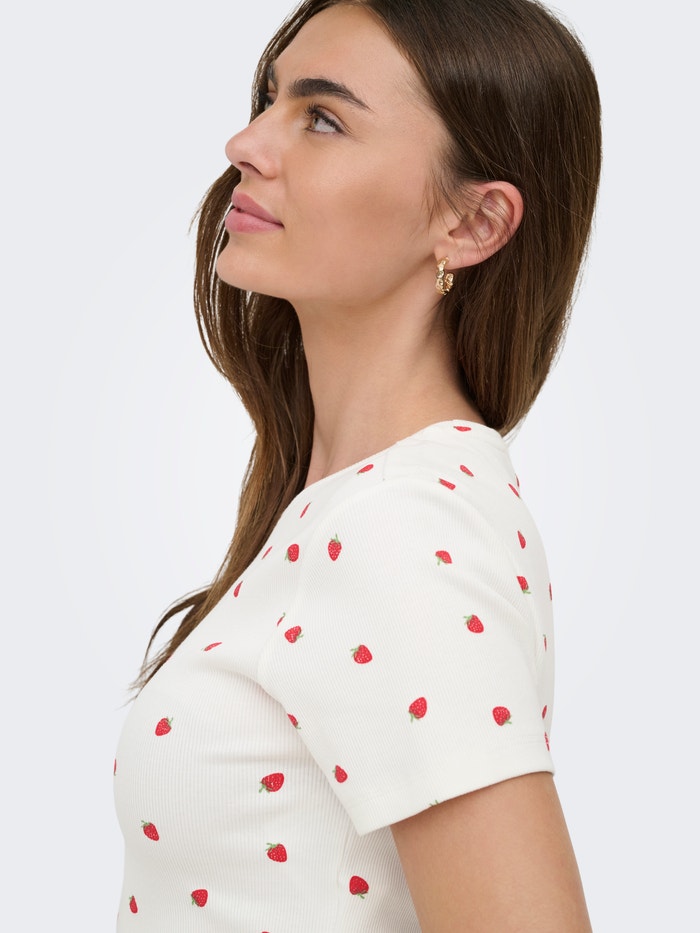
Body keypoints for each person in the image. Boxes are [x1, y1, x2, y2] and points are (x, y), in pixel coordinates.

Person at [114, 0, 601, 929]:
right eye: (271, 98)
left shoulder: (402, 526)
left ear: (472, 224)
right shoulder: (352, 506)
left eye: (324, 118)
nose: (246, 144)